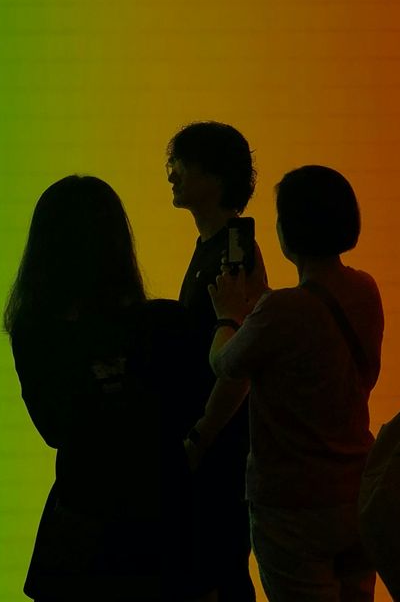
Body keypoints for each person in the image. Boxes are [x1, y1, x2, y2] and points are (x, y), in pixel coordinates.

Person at [6, 176, 200, 601]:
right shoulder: (166, 323)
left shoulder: (34, 330)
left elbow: (54, 429)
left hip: (82, 523)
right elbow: (185, 418)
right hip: (164, 524)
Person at [196, 165, 383, 602]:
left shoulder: (280, 311)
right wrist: (261, 304)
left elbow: (225, 362)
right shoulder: (365, 289)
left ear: (289, 229)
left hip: (293, 505)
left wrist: (228, 314)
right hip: (356, 490)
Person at [166, 121, 259, 602]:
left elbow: (241, 364)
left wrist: (201, 435)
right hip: (213, 444)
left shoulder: (233, 254)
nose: (171, 174)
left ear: (215, 174)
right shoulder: (213, 248)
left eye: (182, 163)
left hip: (219, 450)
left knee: (217, 573)